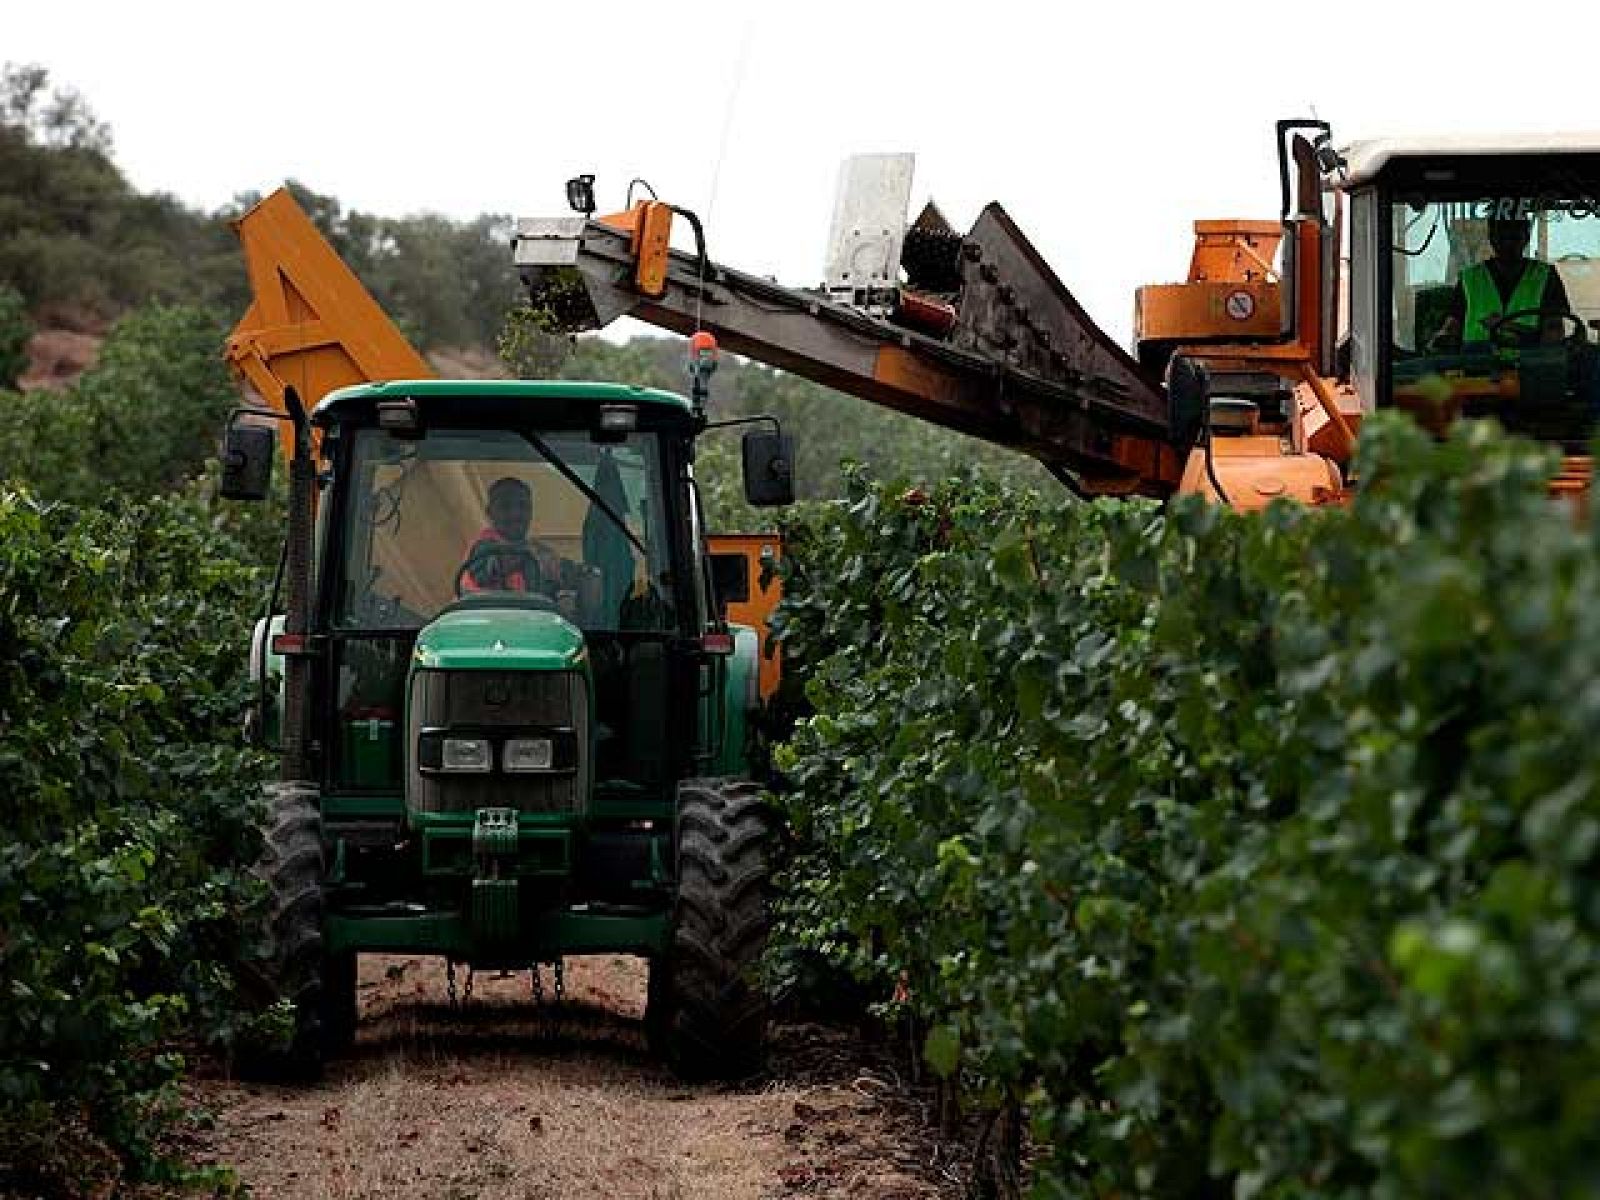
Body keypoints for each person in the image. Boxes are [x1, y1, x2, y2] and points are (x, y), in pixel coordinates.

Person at [1430, 215, 1572, 350]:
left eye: (1514, 237)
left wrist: (1508, 326)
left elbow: (1554, 332)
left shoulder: (1546, 276)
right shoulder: (1469, 278)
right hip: (1475, 362)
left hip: (1530, 362)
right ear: (1491, 238)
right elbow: (1452, 325)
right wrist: (1441, 339)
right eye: (1502, 237)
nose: (1508, 243)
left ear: (1526, 237)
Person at [459, 476, 560, 595]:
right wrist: (537, 560)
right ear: (489, 513)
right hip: (483, 607)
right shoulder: (481, 548)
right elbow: (490, 570)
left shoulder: (542, 551)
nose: (515, 514)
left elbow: (551, 592)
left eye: (523, 506)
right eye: (505, 506)